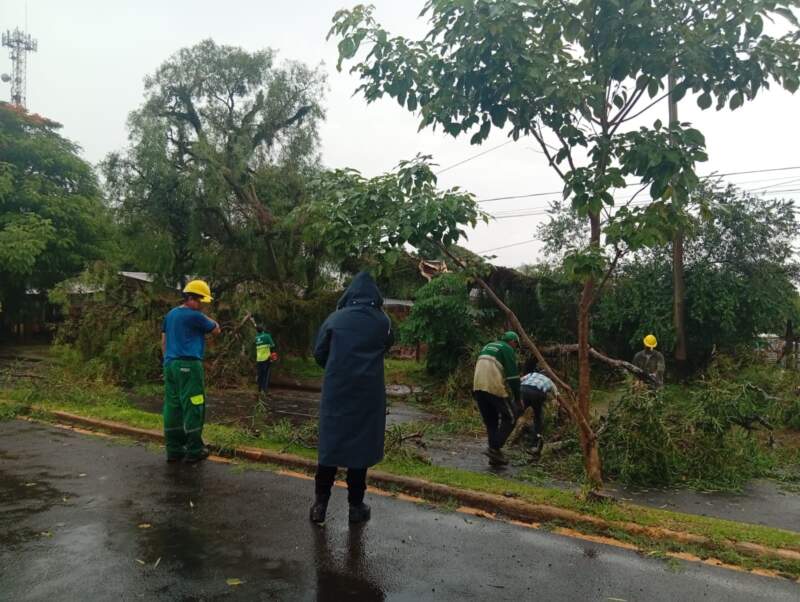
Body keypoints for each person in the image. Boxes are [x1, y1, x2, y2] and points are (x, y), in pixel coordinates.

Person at [309, 272, 394, 524]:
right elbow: (388, 344)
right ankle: (356, 507)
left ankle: (319, 506)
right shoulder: (383, 321)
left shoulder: (334, 318)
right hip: (368, 395)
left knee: (330, 448)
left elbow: (319, 353)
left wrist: (336, 367)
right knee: (361, 449)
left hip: (337, 392)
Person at [161, 280, 221, 464]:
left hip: (170, 365)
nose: (202, 305)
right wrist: (206, 317)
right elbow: (216, 329)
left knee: (173, 406)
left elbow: (163, 340)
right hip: (189, 365)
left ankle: (174, 450)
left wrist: (167, 362)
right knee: (194, 405)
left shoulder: (170, 315)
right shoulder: (194, 316)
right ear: (191, 298)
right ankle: (194, 449)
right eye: (201, 300)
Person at [472, 331, 522, 466]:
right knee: (511, 417)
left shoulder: (488, 346)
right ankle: (494, 448)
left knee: (491, 421)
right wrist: (518, 398)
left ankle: (495, 458)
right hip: (492, 386)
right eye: (516, 346)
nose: (515, 349)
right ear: (513, 342)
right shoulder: (507, 349)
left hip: (478, 387)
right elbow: (513, 377)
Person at [520, 359, 558, 458]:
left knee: (517, 412)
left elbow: (520, 380)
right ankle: (534, 444)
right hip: (537, 393)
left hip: (523, 389)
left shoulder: (532, 374)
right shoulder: (550, 381)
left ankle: (505, 433)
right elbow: (556, 395)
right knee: (538, 417)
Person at [255, 324, 277, 396]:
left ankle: (259, 390)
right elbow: (272, 345)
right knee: (265, 375)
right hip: (266, 358)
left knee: (260, 374)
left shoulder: (256, 337)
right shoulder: (267, 336)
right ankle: (264, 391)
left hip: (259, 359)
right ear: (263, 329)